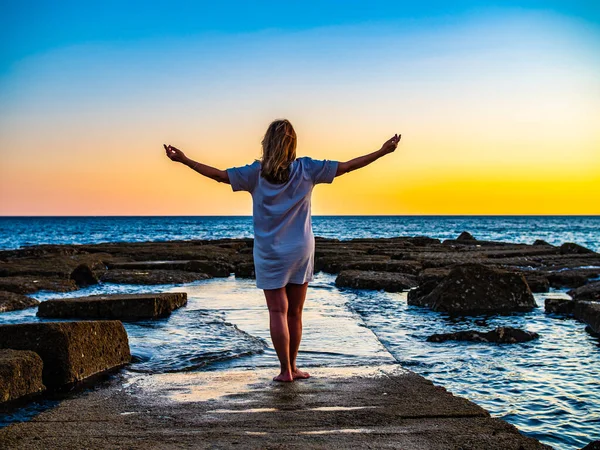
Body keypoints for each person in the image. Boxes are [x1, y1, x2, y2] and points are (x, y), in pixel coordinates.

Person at [164, 119, 401, 382]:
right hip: (300, 248)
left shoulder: (255, 173)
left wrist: (185, 160)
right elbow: (346, 167)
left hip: (269, 251)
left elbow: (219, 175)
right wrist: (381, 152)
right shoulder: (307, 168)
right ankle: (294, 366)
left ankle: (285, 370)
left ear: (267, 143)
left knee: (277, 311)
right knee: (295, 312)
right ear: (292, 144)